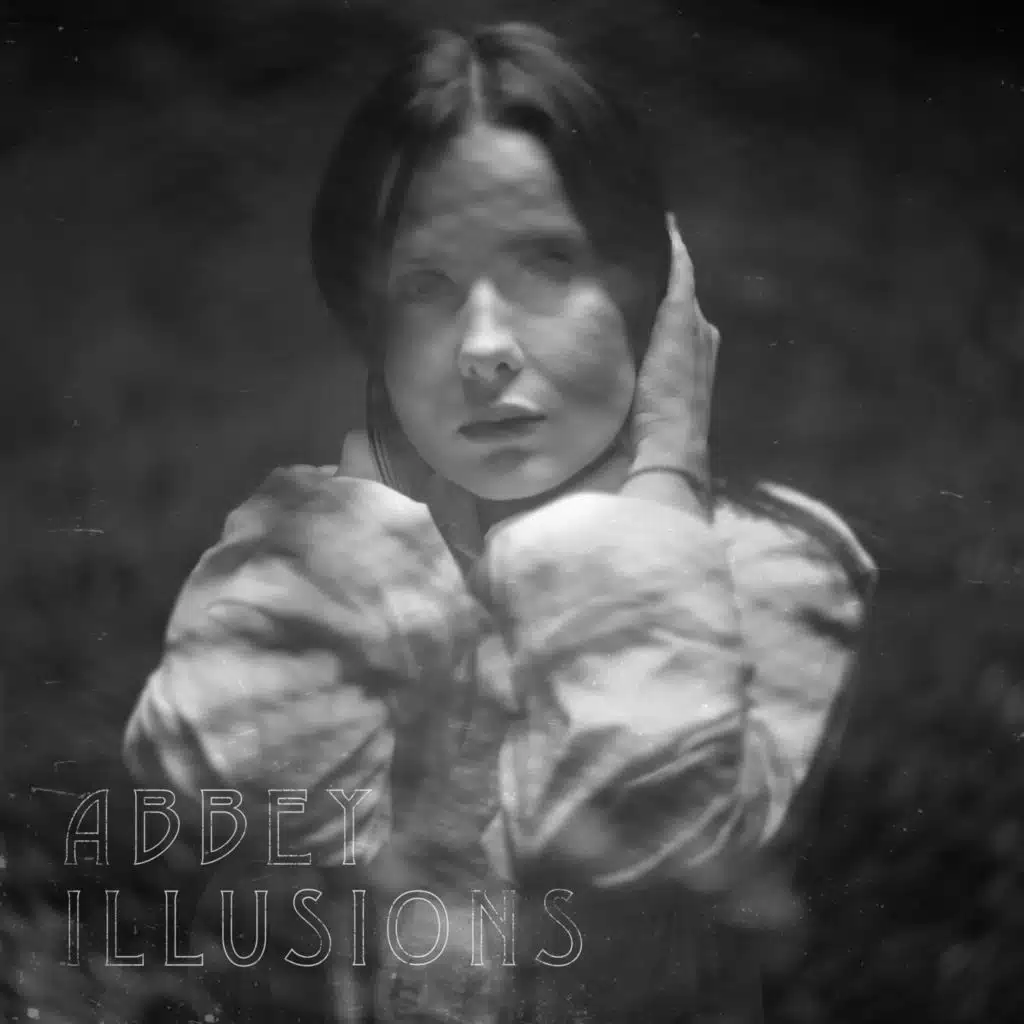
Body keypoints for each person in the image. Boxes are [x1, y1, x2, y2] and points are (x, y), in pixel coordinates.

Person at [122, 21, 877, 1024]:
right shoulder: (338, 554)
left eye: (546, 263)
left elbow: (639, 836)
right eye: (424, 285)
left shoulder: (777, 567)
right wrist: (361, 540)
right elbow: (225, 798)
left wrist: (662, 475)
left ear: (648, 293)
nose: (483, 345)